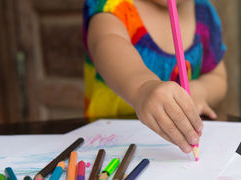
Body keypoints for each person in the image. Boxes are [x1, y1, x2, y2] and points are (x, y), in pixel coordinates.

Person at [83, 0, 227, 154]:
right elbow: (107, 46)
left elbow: (217, 77)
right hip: (110, 147)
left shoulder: (204, 13)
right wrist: (143, 88)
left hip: (173, 152)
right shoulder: (112, 8)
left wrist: (199, 91)